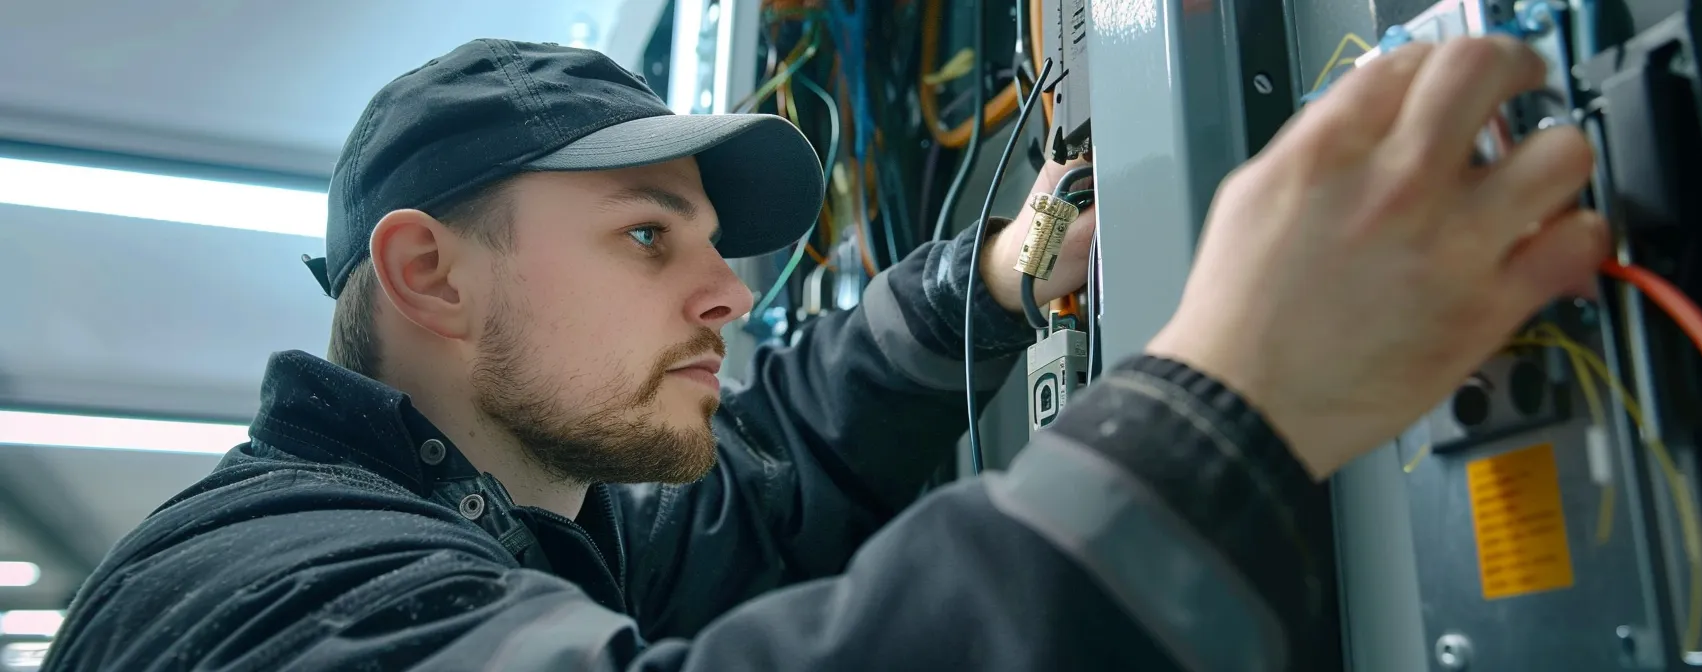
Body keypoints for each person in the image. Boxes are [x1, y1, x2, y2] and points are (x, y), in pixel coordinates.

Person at [43, 33, 1603, 671]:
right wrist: (1234, 399)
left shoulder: (484, 518)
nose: (728, 290)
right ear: (428, 273)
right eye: (651, 237)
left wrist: (993, 278)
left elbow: (768, 484)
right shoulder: (256, 595)